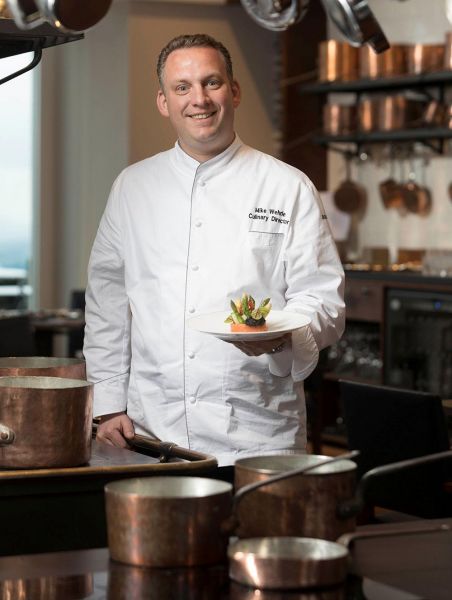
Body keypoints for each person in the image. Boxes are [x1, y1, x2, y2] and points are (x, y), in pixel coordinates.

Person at [84, 33, 345, 472]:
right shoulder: (132, 187)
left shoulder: (287, 186)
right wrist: (108, 406)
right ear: (164, 102)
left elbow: (325, 301)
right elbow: (107, 301)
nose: (199, 99)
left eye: (212, 82)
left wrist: (284, 336)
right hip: (150, 436)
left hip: (257, 437)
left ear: (234, 91)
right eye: (182, 87)